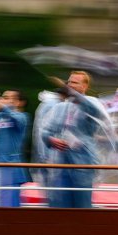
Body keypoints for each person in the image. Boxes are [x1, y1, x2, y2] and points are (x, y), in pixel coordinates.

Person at [41, 71, 102, 208]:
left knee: (82, 206)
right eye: (68, 82)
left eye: (74, 82)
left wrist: (71, 92)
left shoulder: (92, 103)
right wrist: (51, 140)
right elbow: (45, 131)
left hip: (83, 164)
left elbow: (92, 110)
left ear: (85, 86)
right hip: (61, 164)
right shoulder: (60, 107)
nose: (69, 85)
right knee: (60, 204)